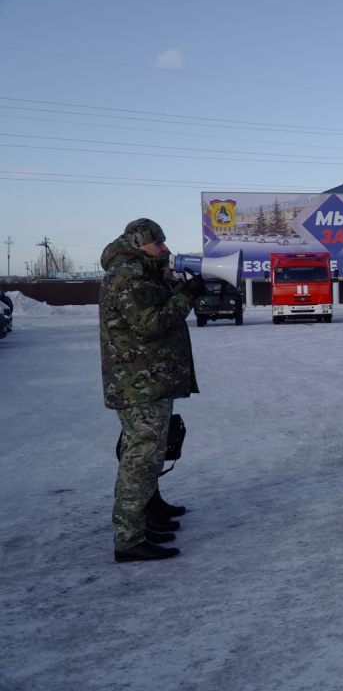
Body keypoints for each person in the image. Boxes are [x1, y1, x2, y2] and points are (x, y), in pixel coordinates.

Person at [99, 218, 202, 563]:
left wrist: (171, 284)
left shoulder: (140, 271)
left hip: (148, 380)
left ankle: (144, 519)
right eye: (159, 245)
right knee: (141, 460)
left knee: (146, 454)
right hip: (140, 383)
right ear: (141, 244)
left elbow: (152, 310)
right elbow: (151, 323)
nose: (166, 250)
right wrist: (187, 296)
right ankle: (129, 539)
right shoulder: (128, 275)